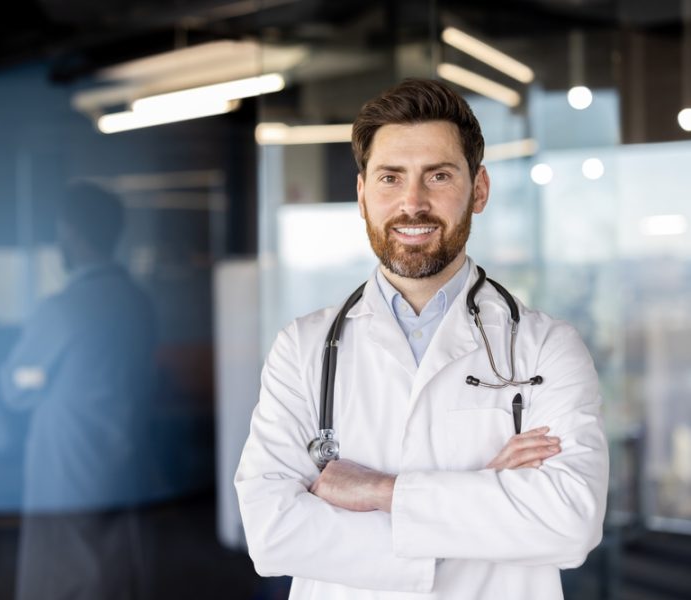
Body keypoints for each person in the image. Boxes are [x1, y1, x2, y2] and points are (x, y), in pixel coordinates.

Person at [235, 79, 608, 600]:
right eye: (391, 178)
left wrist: (378, 491)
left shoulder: (547, 347)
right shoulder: (303, 348)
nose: (413, 203)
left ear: (478, 189)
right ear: (363, 194)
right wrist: (485, 492)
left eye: (438, 175)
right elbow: (271, 533)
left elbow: (570, 522)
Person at [0, 183, 156, 600]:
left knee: (62, 579)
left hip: (66, 470)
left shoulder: (64, 308)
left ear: (70, 231)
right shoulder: (136, 302)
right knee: (112, 575)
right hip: (119, 464)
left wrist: (38, 382)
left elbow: (16, 385)